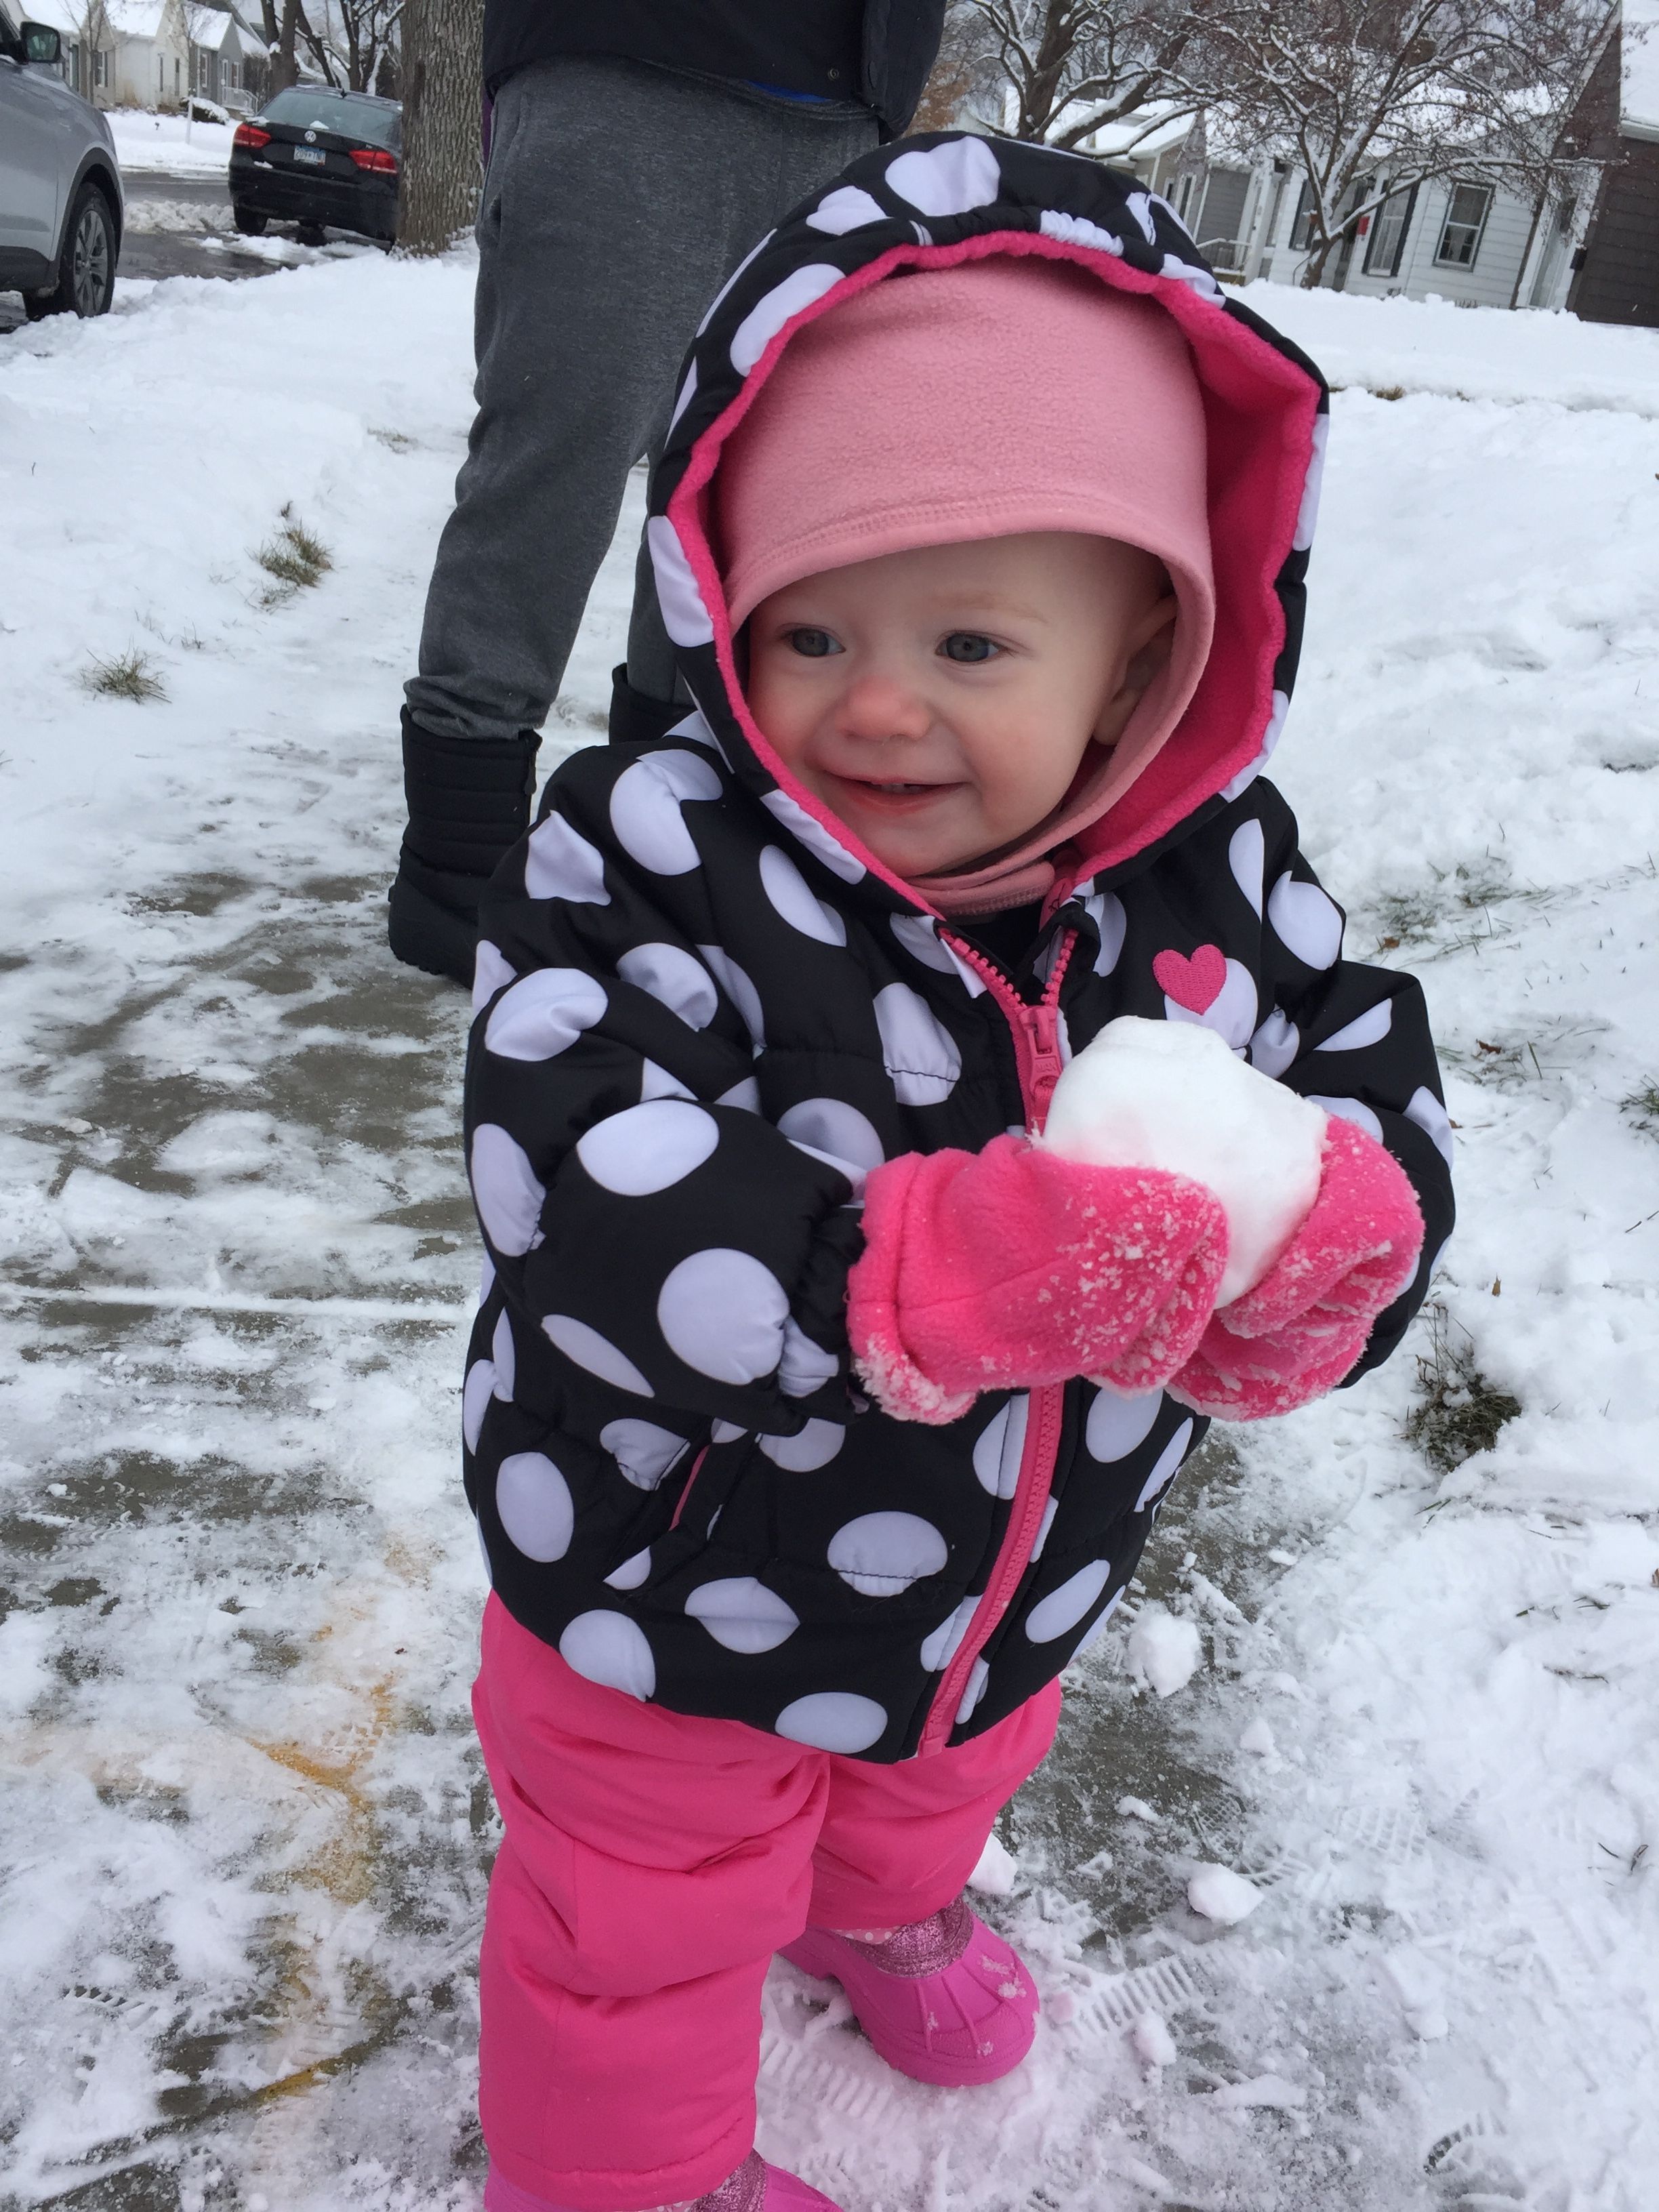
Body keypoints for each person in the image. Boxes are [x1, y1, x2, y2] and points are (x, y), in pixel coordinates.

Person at [459, 136, 1456, 2212]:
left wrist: (1343, 1234)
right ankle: (627, 2183)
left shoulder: (1215, 884)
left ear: (1144, 658)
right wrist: (921, 1275)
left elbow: (1358, 1056)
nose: (878, 705)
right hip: (668, 1589)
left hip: (1003, 1578)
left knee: (940, 1772)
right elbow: (575, 1169)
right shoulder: (652, 856)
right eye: (812, 631)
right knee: (636, 1927)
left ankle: (878, 1904)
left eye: (975, 647)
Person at [388, 2, 947, 987]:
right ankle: (458, 877)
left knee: (738, 494)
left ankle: (666, 846)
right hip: (623, 60)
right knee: (558, 460)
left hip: (841, 109)